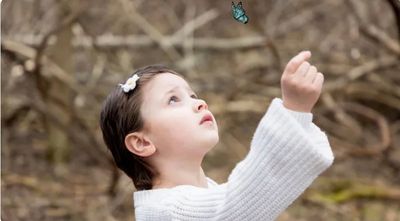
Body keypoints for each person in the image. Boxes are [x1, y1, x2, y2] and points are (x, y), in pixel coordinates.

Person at [99, 51, 334, 220]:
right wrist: (293, 110)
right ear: (142, 142)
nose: (199, 103)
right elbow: (235, 208)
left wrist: (298, 117)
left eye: (193, 95)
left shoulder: (205, 194)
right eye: (173, 100)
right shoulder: (166, 212)